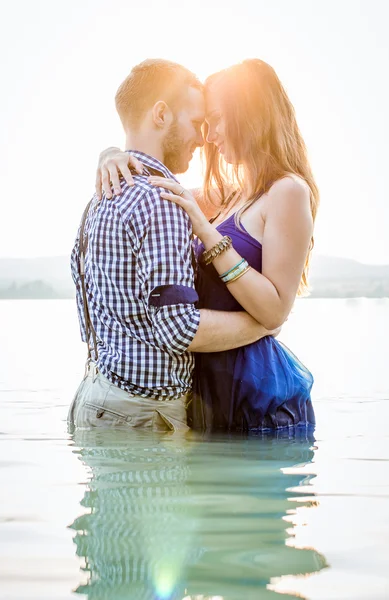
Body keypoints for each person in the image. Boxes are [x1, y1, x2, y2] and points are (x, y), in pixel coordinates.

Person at [94, 59, 318, 433]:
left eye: (216, 119)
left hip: (258, 399)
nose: (209, 136)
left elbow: (275, 309)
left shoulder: (289, 192)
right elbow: (150, 181)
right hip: (207, 398)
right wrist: (111, 155)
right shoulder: (232, 195)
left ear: (251, 115)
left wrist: (209, 234)